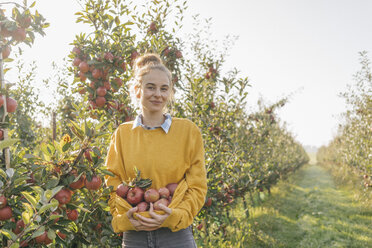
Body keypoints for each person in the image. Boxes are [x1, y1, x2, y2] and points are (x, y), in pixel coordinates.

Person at [104, 53, 207, 248]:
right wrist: (123, 219)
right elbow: (112, 182)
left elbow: (197, 186)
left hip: (175, 235)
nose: (157, 94)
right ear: (137, 90)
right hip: (135, 234)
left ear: (170, 92)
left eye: (164, 88)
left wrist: (175, 216)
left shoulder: (188, 132)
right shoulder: (122, 134)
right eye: (150, 87)